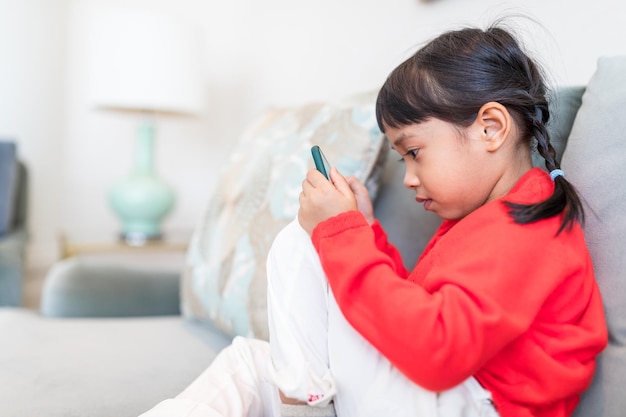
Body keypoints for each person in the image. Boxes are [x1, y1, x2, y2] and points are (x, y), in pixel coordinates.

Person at [139, 23, 607, 417]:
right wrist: (365, 231)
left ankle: (306, 385)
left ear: (491, 128)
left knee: (303, 240)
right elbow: (415, 314)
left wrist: (341, 233)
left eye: (415, 153)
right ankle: (304, 383)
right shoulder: (489, 219)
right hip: (440, 395)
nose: (409, 178)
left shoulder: (527, 231)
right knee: (248, 360)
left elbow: (434, 354)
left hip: (473, 404)